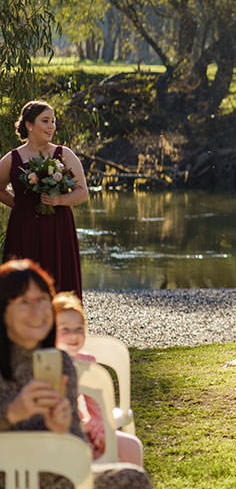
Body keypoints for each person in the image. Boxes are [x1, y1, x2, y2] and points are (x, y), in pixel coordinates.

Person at [0, 259, 151, 489]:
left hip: (54, 478)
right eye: (23, 302)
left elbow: (76, 449)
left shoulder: (61, 364)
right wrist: (12, 412)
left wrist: (61, 428)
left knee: (133, 478)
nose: (38, 311)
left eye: (42, 299)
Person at [1, 101, 89, 298]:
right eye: (45, 121)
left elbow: (82, 192)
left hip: (58, 227)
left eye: (53, 121)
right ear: (29, 125)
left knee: (59, 279)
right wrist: (17, 204)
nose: (51, 126)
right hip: (23, 228)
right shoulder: (13, 158)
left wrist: (58, 200)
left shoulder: (64, 154)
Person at [53, 291, 143, 466]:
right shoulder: (45, 361)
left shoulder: (86, 363)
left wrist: (99, 431)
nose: (74, 335)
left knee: (132, 446)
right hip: (54, 433)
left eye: (79, 329)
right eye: (65, 330)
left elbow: (97, 407)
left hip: (80, 428)